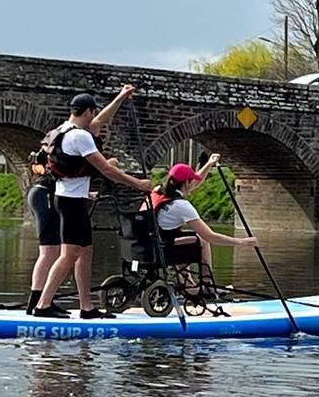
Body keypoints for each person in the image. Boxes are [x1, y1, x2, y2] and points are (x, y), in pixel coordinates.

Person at [33, 92, 151, 319]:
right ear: (87, 111)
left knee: (86, 252)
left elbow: (100, 121)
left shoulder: (65, 129)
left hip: (71, 199)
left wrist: (120, 98)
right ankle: (43, 305)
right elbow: (107, 169)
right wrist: (138, 184)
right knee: (69, 254)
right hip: (70, 203)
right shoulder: (80, 137)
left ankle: (86, 307)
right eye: (93, 112)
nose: (95, 117)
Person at [147, 155, 258, 294]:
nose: (195, 185)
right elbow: (212, 236)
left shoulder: (157, 190)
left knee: (182, 239)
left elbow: (195, 182)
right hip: (162, 248)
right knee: (203, 240)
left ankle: (189, 286)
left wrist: (209, 164)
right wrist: (242, 241)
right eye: (192, 181)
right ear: (187, 183)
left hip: (146, 244)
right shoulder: (181, 206)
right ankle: (208, 285)